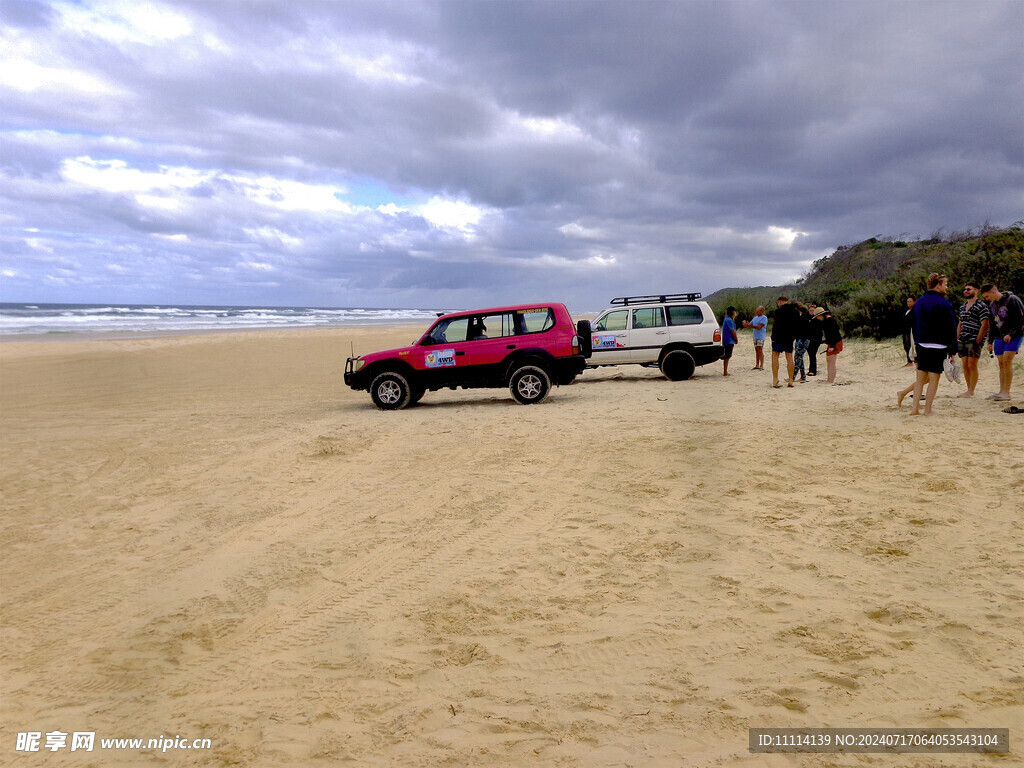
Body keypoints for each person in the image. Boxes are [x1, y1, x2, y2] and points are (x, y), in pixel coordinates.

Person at [907, 273, 957, 416]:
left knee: (920, 378)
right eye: (945, 284)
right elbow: (950, 328)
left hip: (922, 344)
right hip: (939, 345)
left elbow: (914, 324)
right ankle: (928, 410)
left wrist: (917, 341)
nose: (947, 287)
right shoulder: (945, 304)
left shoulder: (920, 302)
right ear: (938, 285)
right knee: (934, 378)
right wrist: (953, 349)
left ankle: (914, 409)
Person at [981, 283, 1024, 401]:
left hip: (1014, 336)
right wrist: (990, 341)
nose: (986, 299)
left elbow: (1021, 320)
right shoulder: (992, 305)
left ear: (993, 292)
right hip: (999, 337)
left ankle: (1007, 392)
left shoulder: (1012, 300)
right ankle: (1001, 391)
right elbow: (992, 325)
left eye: (987, 296)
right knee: (1001, 363)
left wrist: (1011, 334)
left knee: (1007, 361)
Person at [956, 282, 990, 398]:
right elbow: (960, 323)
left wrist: (978, 340)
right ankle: (968, 389)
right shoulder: (962, 306)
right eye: (965, 289)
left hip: (973, 339)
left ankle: (971, 391)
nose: (966, 291)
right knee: (965, 364)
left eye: (969, 289)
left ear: (977, 291)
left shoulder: (981, 306)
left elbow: (985, 324)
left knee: (972, 364)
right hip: (963, 339)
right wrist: (958, 337)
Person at [770, 296, 799, 388]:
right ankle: (790, 379)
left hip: (778, 336)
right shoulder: (795, 311)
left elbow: (775, 325)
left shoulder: (778, 311)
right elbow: (797, 325)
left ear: (780, 302)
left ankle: (775, 379)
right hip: (789, 337)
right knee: (789, 358)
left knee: (775, 356)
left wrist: (773, 337)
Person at [810, 306, 843, 383]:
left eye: (817, 317)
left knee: (831, 362)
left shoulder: (829, 320)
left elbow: (833, 333)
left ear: (820, 315)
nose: (817, 319)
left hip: (835, 343)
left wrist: (832, 345)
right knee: (830, 361)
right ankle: (830, 379)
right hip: (834, 342)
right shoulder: (828, 319)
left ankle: (830, 380)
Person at [742, 306, 768, 370]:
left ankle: (761, 365)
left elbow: (759, 327)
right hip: (755, 336)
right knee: (756, 350)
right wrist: (745, 324)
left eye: (758, 311)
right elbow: (750, 325)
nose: (756, 312)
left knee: (760, 350)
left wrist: (750, 325)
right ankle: (757, 364)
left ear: (762, 311)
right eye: (756, 310)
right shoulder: (755, 318)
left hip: (761, 336)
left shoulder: (764, 318)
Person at [793, 304, 811, 382]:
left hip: (802, 340)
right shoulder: (806, 317)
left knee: (798, 358)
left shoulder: (803, 318)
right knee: (800, 358)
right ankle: (802, 376)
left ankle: (793, 376)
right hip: (804, 339)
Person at [805, 302, 822, 376]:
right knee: (810, 353)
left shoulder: (818, 319)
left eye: (813, 311)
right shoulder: (806, 317)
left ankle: (813, 370)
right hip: (808, 339)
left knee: (812, 353)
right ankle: (811, 369)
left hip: (816, 339)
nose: (811, 312)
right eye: (810, 310)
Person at [721, 306, 738, 376]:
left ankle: (725, 371)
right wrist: (736, 339)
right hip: (729, 340)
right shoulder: (729, 320)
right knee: (727, 356)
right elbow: (732, 331)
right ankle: (725, 372)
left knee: (727, 356)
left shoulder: (726, 319)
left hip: (726, 340)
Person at [902, 297, 916, 366]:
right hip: (906, 330)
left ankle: (912, 361)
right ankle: (909, 361)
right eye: (907, 301)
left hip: (911, 330)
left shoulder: (915, 311)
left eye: (910, 301)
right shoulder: (907, 311)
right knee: (906, 345)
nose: (908, 303)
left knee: (910, 345)